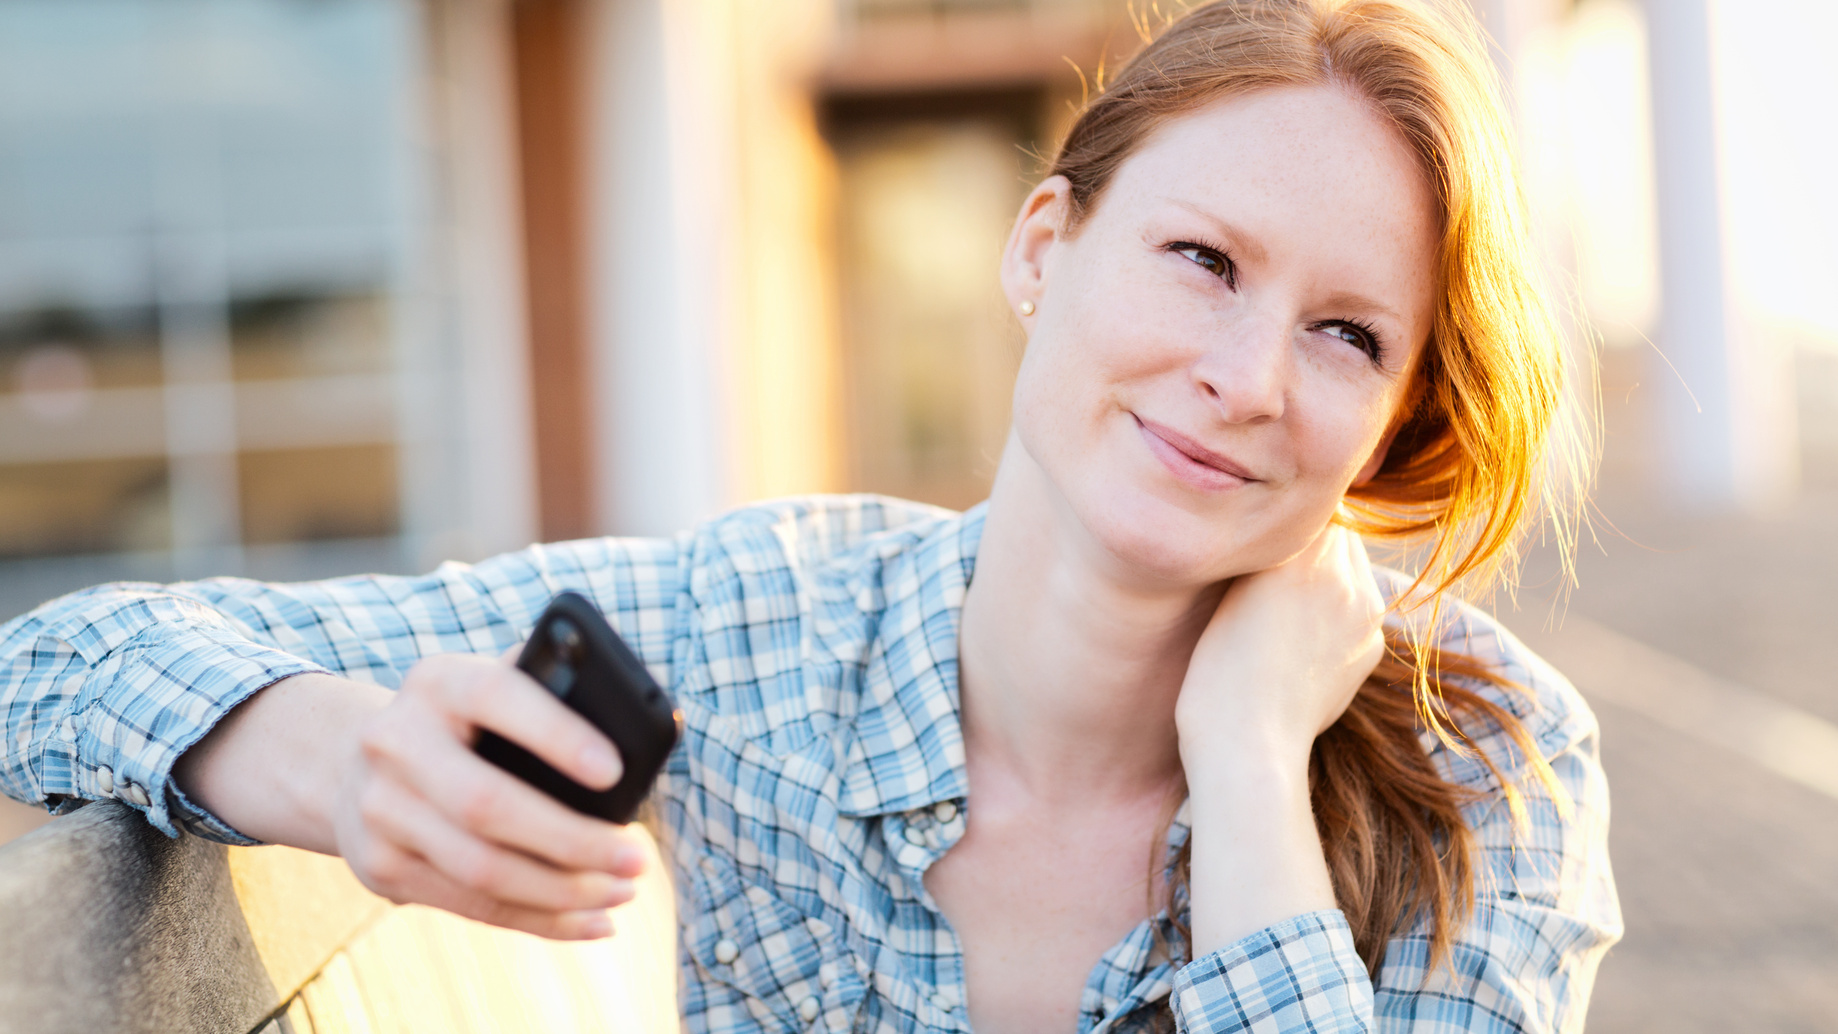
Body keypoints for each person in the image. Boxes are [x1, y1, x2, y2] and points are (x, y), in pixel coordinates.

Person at [0, 0, 1620, 1030]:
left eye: (1346, 334)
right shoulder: (765, 623)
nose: (1247, 375)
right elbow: (52, 665)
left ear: (1392, 414)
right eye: (1202, 262)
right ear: (1043, 249)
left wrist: (1253, 772)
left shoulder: (1488, 776)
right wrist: (329, 756)